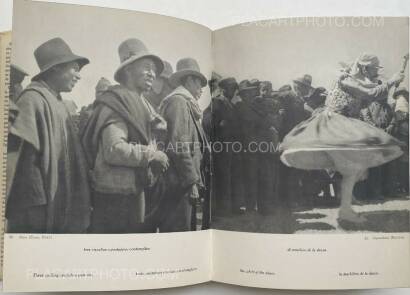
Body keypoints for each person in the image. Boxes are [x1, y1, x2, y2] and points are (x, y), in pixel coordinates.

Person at [280, 53, 405, 225]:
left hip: (345, 124)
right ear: (363, 67)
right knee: (348, 166)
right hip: (334, 123)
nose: (375, 73)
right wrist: (390, 81)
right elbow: (370, 93)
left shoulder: (358, 81)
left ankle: (345, 207)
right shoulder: (346, 79)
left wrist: (391, 84)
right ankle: (344, 206)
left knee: (351, 168)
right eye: (373, 69)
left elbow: (371, 93)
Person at [81, 38, 169, 233]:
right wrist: (151, 155)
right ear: (128, 69)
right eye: (147, 67)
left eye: (154, 69)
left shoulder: (139, 101)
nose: (152, 74)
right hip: (116, 196)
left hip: (133, 190)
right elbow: (114, 149)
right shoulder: (117, 102)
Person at [6, 38, 92, 233]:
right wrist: (37, 207)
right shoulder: (32, 100)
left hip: (59, 202)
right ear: (55, 69)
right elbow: (22, 163)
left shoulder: (57, 101)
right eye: (75, 69)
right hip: (38, 208)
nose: (78, 76)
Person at [158, 57, 209, 232]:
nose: (201, 89)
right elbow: (179, 146)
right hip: (179, 184)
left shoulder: (185, 103)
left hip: (182, 182)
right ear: (188, 80)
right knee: (179, 230)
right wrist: (191, 182)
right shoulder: (178, 102)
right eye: (198, 83)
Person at [210, 77, 246, 215]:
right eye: (231, 88)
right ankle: (224, 209)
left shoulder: (231, 103)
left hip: (233, 145)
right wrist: (221, 127)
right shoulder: (217, 102)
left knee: (234, 176)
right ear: (223, 89)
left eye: (234, 88)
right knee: (224, 177)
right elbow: (211, 124)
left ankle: (234, 206)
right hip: (222, 145)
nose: (233, 91)